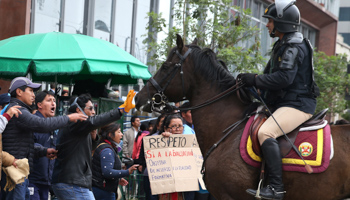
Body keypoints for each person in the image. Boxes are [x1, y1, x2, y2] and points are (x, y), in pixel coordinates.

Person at [239, 1, 319, 199]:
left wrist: (255, 79)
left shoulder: (293, 46)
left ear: (282, 23)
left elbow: (284, 79)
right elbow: (272, 77)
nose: (267, 25)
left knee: (266, 132)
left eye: (271, 21)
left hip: (298, 105)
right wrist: (252, 84)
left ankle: (276, 188)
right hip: (287, 102)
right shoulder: (283, 44)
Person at [1, 77, 87, 200]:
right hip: (15, 173)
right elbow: (42, 124)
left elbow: (26, 146)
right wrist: (68, 118)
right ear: (19, 92)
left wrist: (44, 151)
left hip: (20, 173)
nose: (33, 95)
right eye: (30, 90)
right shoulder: (17, 110)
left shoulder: (19, 109)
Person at [51, 90, 136, 200]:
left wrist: (93, 138)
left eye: (94, 108)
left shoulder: (80, 129)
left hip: (72, 182)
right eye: (90, 108)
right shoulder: (75, 122)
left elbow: (85, 151)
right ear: (78, 110)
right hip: (72, 182)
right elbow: (94, 122)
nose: (94, 112)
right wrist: (120, 111)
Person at [92, 123, 139, 200]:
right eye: (119, 132)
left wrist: (118, 179)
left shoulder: (105, 147)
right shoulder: (107, 150)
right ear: (110, 134)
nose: (122, 135)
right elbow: (107, 172)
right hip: (104, 192)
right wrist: (127, 171)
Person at [28, 90, 59, 200]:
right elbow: (29, 146)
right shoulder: (34, 122)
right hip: (32, 180)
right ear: (39, 105)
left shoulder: (53, 125)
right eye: (49, 100)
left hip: (46, 182)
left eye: (54, 101)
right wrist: (44, 150)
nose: (53, 103)